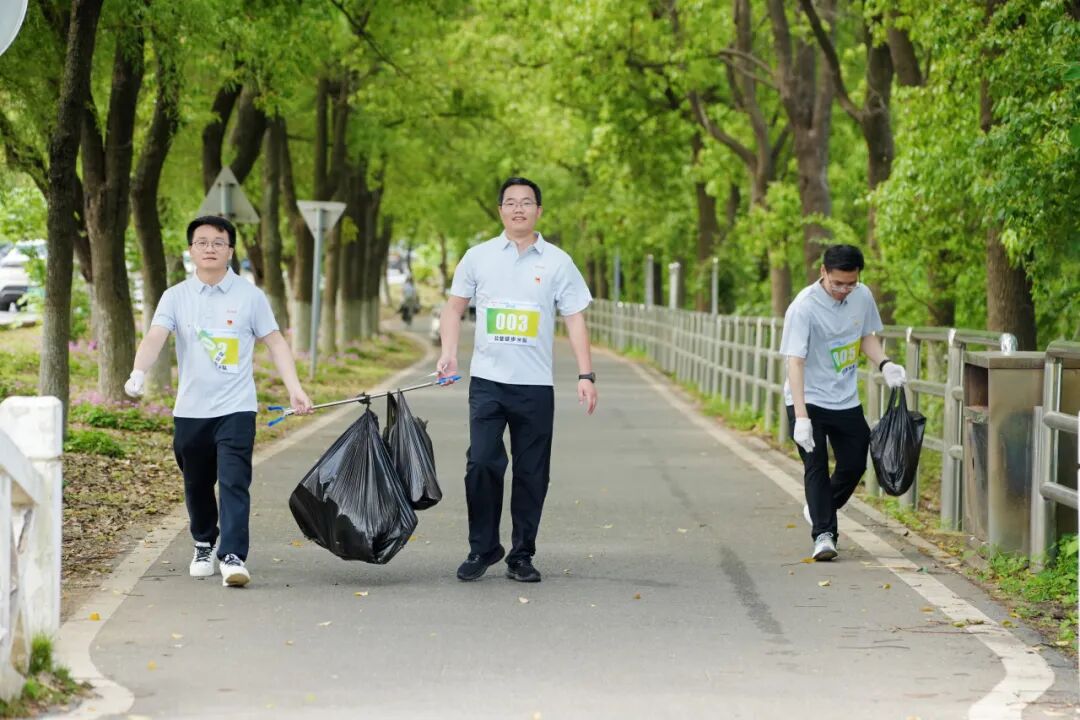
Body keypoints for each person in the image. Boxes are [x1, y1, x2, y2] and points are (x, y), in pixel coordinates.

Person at [124, 215, 313, 587]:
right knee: (196, 483)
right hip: (191, 410)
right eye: (202, 242)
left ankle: (233, 555)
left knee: (233, 480)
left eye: (218, 242)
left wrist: (294, 387)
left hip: (236, 407)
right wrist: (138, 372)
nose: (210, 248)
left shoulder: (249, 296)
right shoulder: (175, 296)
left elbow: (275, 341)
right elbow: (155, 336)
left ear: (230, 250)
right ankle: (203, 542)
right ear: (191, 249)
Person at [436, 177, 598, 583]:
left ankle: (522, 555)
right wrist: (449, 353)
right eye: (511, 202)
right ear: (500, 211)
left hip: (535, 386)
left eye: (527, 202)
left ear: (539, 211)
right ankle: (483, 548)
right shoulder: (478, 257)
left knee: (532, 473)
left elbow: (575, 318)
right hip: (488, 383)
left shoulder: (559, 262)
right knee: (482, 463)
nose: (519, 208)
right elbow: (453, 309)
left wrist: (585, 374)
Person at [779, 244, 906, 561]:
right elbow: (794, 362)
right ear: (823, 273)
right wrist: (802, 417)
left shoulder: (861, 296)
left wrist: (885, 364)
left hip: (844, 398)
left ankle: (819, 506)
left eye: (850, 283)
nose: (844, 290)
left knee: (854, 462)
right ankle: (824, 535)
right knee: (816, 465)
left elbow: (866, 336)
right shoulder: (803, 308)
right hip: (807, 397)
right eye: (838, 284)